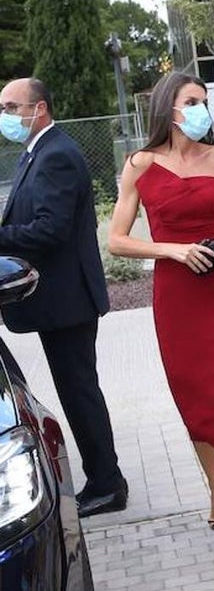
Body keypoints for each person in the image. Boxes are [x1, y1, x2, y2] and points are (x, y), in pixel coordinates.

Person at [107, 71, 214, 561]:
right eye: (192, 101)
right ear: (167, 109)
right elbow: (117, 239)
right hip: (176, 297)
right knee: (194, 398)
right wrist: (173, 250)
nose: (202, 110)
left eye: (205, 101)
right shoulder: (139, 165)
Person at [0, 77, 128, 518]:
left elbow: (48, 230)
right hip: (59, 303)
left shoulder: (57, 155)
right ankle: (104, 477)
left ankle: (108, 483)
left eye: (12, 107)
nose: (6, 116)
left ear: (39, 109)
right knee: (76, 391)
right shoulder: (39, 151)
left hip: (67, 302)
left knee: (79, 393)